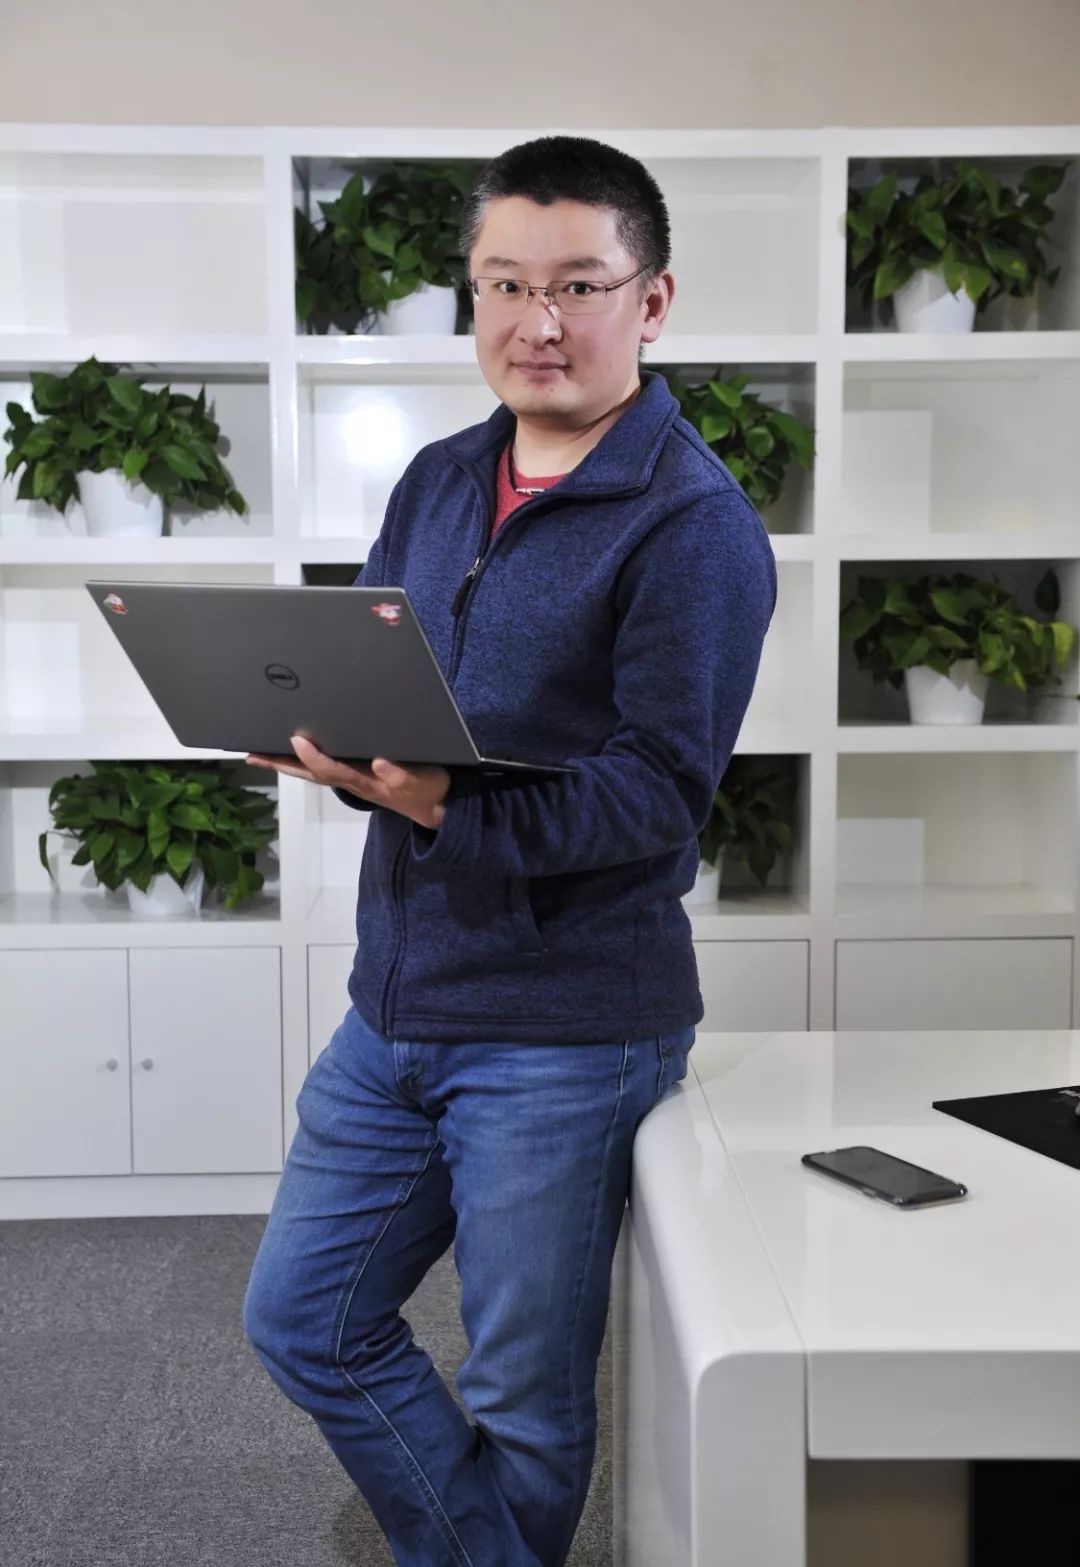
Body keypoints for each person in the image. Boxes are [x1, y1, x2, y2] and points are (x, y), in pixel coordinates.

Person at [242, 133, 777, 1567]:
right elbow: (380, 689)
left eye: (579, 285)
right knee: (303, 1320)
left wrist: (439, 806)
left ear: (651, 302)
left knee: (524, 1399)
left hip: (565, 1033)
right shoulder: (438, 478)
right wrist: (327, 745)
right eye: (504, 283)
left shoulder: (695, 525)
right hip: (396, 1004)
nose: (538, 320)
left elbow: (658, 796)